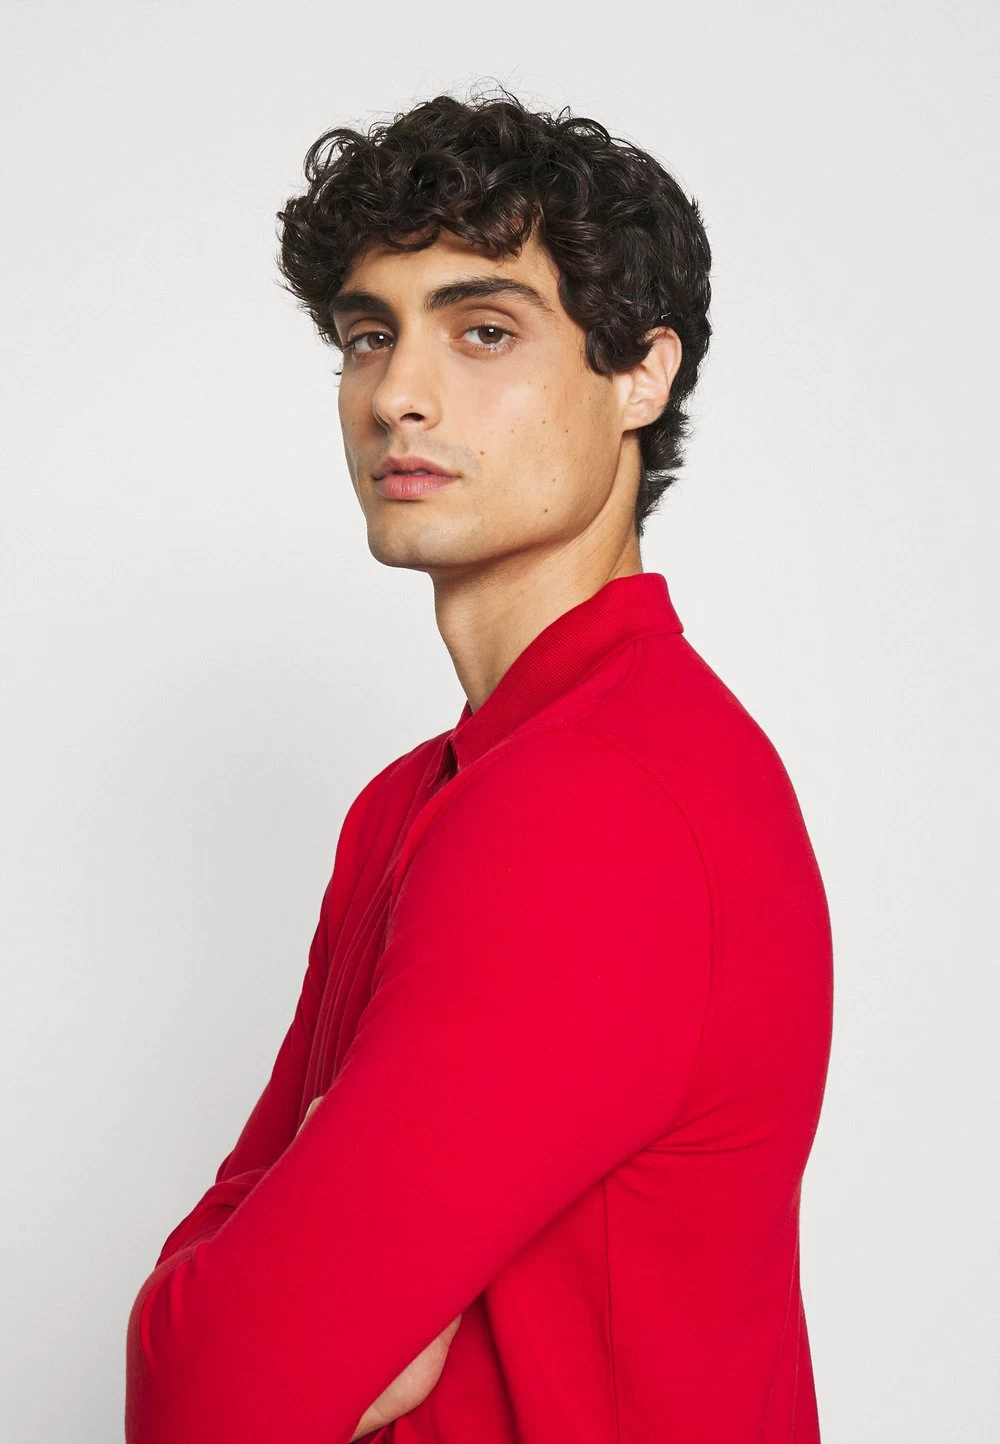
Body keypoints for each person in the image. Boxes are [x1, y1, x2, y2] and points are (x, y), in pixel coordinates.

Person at [125, 82, 834, 1444]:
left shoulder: (597, 802)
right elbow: (199, 1346)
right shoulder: (422, 797)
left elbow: (215, 1386)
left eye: (484, 330)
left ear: (642, 376)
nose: (397, 394)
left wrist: (251, 1311)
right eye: (368, 336)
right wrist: (234, 1310)